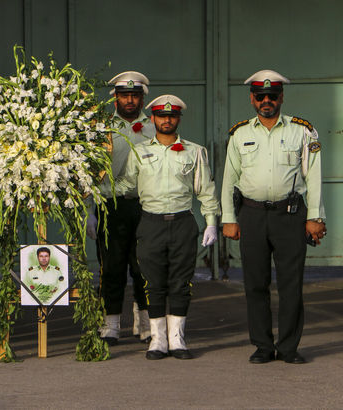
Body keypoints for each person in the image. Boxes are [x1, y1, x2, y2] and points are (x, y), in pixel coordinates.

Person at [221, 70, 326, 365]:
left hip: (289, 215)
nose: (266, 100)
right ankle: (263, 346)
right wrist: (228, 217)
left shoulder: (302, 131)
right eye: (260, 96)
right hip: (251, 215)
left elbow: (314, 177)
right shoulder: (240, 133)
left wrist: (315, 217)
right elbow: (230, 178)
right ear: (252, 99)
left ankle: (289, 347)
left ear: (282, 97)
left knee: (291, 284)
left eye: (272, 95)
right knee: (255, 283)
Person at [116, 95, 220, 360]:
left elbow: (206, 191)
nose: (166, 120)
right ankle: (158, 339)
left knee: (181, 281)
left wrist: (211, 223)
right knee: (153, 282)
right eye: (161, 116)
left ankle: (177, 338)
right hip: (150, 223)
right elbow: (126, 186)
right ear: (153, 119)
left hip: (182, 222)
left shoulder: (194, 151)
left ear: (178, 119)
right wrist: (91, 188)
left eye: (172, 116)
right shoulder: (138, 151)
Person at [88, 71, 154, 346]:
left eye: (135, 96)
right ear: (114, 98)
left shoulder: (154, 127)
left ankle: (146, 323)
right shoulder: (99, 128)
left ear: (142, 99)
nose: (130, 100)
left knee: (144, 267)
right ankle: (111, 324)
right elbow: (88, 172)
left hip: (145, 204)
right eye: (124, 95)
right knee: (111, 267)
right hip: (110, 206)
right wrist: (87, 211)